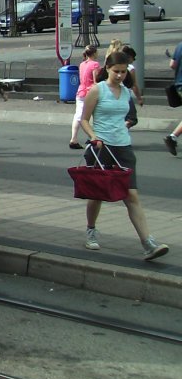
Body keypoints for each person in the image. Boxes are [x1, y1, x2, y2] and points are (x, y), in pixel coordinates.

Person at [79, 50, 168, 260]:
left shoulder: (126, 93)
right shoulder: (97, 90)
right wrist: (93, 136)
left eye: (123, 72)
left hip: (123, 147)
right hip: (101, 147)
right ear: (107, 69)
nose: (120, 76)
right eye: (116, 71)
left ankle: (148, 243)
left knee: (132, 195)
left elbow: (128, 117)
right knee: (97, 194)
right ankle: (91, 230)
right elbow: (84, 119)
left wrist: (126, 125)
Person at [68, 44, 99, 149]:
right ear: (94, 53)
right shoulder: (95, 64)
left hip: (81, 91)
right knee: (95, 114)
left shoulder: (82, 64)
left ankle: (74, 138)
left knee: (78, 115)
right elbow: (96, 81)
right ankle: (93, 136)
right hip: (90, 93)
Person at [166, 42, 182, 156]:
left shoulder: (180, 45)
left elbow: (172, 65)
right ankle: (172, 137)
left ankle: (172, 137)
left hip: (179, 84)